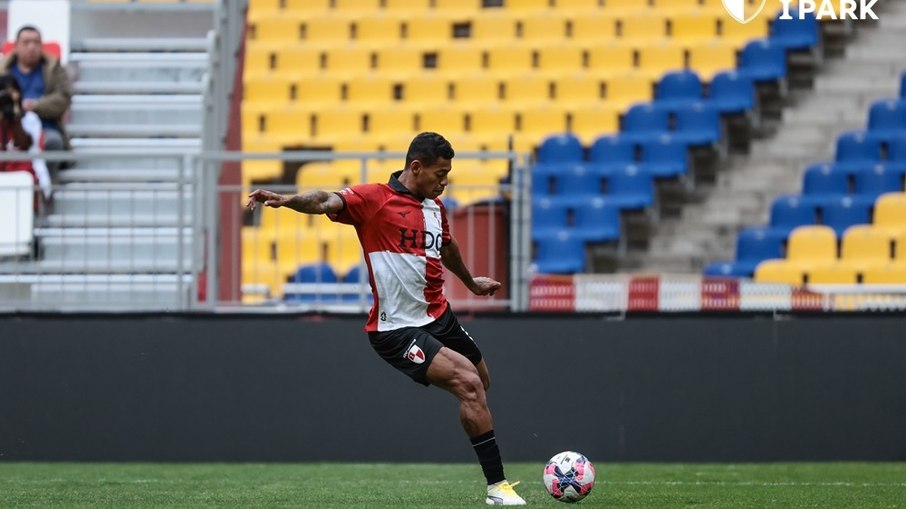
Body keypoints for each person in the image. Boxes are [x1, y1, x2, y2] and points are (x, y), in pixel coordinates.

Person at [246, 132, 526, 506]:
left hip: (438, 315)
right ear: (416, 167)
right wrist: (288, 200)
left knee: (482, 382)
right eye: (440, 173)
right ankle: (497, 488)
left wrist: (471, 282)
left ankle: (478, 440)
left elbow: (446, 245)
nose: (444, 181)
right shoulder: (374, 200)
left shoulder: (434, 208)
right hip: (396, 328)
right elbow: (325, 199)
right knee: (469, 385)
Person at [3, 25, 71, 178]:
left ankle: (45, 190)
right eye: (26, 42)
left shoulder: (53, 68)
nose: (32, 47)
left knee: (54, 142)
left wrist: (36, 105)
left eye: (36, 42)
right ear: (16, 46)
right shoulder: (3, 70)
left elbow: (63, 98)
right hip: (8, 130)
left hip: (45, 127)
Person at [0, 73, 51, 207]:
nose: (9, 97)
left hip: (21, 177)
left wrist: (14, 117)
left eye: (12, 92)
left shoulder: (29, 119)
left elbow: (25, 145)